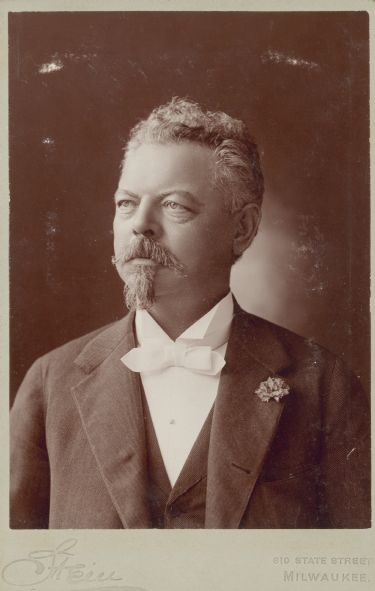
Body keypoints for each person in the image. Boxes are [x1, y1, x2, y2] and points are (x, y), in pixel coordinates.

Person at [10, 97, 370, 529]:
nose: (140, 224)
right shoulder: (50, 383)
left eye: (174, 205)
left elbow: (355, 573)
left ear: (242, 229)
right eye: (126, 203)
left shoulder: (323, 385)